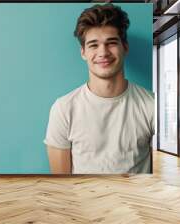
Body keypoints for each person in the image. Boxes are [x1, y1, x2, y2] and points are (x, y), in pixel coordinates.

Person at [44, 3, 154, 174]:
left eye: (111, 43)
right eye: (93, 45)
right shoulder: (64, 108)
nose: (103, 52)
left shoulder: (151, 105)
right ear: (83, 52)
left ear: (125, 47)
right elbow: (61, 185)